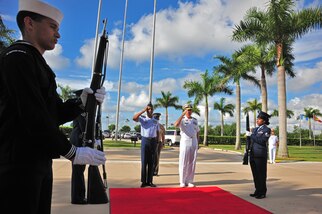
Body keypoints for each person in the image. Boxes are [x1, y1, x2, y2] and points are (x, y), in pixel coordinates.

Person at [0, 1, 106, 213]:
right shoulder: (17, 58)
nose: (58, 35)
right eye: (52, 27)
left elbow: (53, 113)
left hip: (37, 160)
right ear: (29, 23)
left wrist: (82, 102)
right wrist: (72, 151)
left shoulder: (35, 61)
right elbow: (33, 116)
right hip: (17, 164)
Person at [246, 111, 271, 199]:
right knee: (255, 174)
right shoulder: (256, 129)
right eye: (257, 118)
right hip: (253, 154)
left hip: (260, 155)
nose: (257, 120)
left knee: (261, 174)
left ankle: (262, 192)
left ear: (264, 121)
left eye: (259, 119)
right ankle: (257, 190)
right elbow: (252, 140)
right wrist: (248, 137)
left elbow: (262, 141)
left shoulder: (267, 130)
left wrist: (251, 135)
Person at [133, 102, 159, 187]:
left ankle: (150, 181)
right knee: (144, 162)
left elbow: (157, 131)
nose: (149, 111)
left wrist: (158, 141)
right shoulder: (143, 119)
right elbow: (134, 118)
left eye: (151, 109)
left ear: (153, 110)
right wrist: (143, 110)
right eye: (148, 109)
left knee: (152, 162)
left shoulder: (155, 120)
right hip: (145, 140)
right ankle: (143, 181)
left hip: (153, 141)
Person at [174, 103, 200, 188]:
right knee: (183, 161)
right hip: (185, 141)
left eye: (190, 110)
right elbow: (176, 124)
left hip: (194, 141)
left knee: (192, 162)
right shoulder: (182, 120)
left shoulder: (195, 120)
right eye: (187, 110)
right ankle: (182, 181)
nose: (189, 111)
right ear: (184, 110)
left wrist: (198, 142)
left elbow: (198, 131)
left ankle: (190, 181)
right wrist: (182, 114)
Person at [70, 90, 87, 204]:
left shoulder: (82, 110)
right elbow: (84, 127)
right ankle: (77, 197)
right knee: (78, 171)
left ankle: (80, 195)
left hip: (79, 141)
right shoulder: (80, 111)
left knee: (80, 170)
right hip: (78, 142)